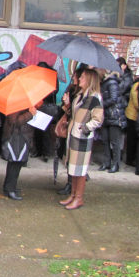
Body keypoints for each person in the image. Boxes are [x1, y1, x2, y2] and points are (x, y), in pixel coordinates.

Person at [60, 69, 104, 210]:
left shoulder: (94, 97)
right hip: (73, 135)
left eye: (83, 77)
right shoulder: (80, 94)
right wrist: (67, 104)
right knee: (73, 167)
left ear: (90, 79)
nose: (79, 79)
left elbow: (97, 120)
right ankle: (73, 195)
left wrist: (84, 129)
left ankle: (78, 198)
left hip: (82, 138)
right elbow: (73, 113)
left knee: (80, 169)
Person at [56, 68, 84, 196]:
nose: (73, 79)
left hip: (78, 130)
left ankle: (73, 187)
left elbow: (77, 114)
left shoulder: (85, 95)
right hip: (69, 127)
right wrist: (65, 103)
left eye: (77, 77)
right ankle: (71, 186)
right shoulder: (73, 89)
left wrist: (68, 105)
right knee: (67, 156)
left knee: (74, 158)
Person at [2, 106, 35, 200]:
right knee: (15, 163)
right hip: (16, 136)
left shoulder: (23, 100)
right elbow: (14, 121)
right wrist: (30, 114)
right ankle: (9, 189)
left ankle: (9, 187)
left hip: (21, 135)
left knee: (17, 163)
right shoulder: (16, 101)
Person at [98, 69, 126, 173]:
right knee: (105, 140)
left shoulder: (112, 82)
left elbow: (113, 99)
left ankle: (116, 164)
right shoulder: (105, 83)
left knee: (114, 142)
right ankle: (106, 163)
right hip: (107, 115)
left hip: (114, 115)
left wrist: (100, 105)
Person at [31, 61, 57, 162]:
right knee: (37, 131)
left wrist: (44, 89)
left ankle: (46, 153)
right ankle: (38, 150)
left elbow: (55, 91)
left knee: (45, 132)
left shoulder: (51, 78)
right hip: (37, 107)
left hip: (46, 108)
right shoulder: (35, 79)